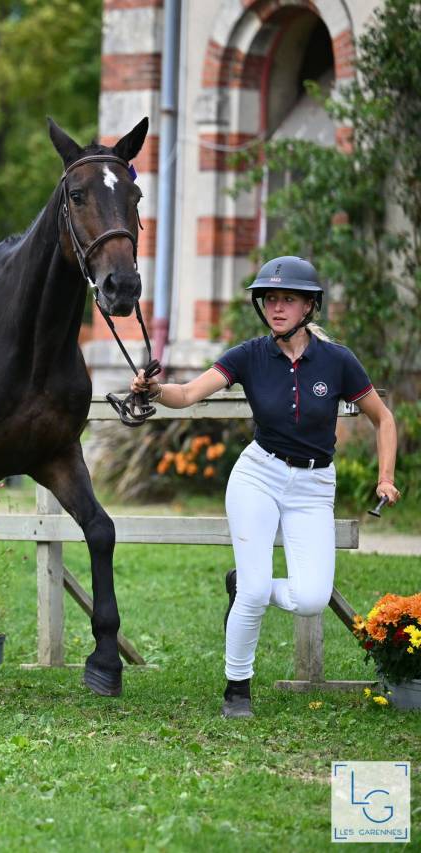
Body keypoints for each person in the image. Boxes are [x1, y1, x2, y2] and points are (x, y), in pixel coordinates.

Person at [130, 256, 399, 718]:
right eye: (270, 299)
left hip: (314, 485)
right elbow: (188, 394)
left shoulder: (337, 362)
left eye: (287, 299)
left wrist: (386, 477)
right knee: (255, 594)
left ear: (309, 306)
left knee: (311, 598)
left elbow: (383, 417)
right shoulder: (249, 355)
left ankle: (244, 586)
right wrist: (154, 391)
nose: (276, 307)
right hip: (259, 474)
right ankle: (237, 689)